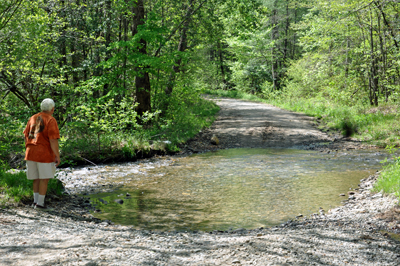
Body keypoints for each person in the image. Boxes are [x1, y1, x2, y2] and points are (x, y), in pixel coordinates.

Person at [23, 98, 60, 211]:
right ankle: (40, 204)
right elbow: (53, 140)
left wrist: (28, 147)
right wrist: (57, 155)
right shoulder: (51, 120)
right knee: (44, 178)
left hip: (30, 152)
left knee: (36, 178)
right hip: (43, 153)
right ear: (52, 109)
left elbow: (25, 135)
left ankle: (35, 201)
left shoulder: (33, 118)